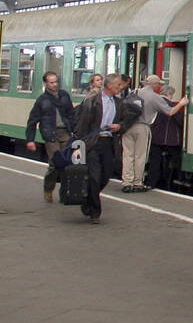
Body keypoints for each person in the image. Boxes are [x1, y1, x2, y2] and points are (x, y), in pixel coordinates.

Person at [72, 73, 137, 224]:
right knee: (94, 177)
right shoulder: (92, 101)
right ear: (109, 85)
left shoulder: (119, 103)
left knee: (105, 175)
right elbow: (82, 125)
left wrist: (119, 126)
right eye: (118, 85)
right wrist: (77, 146)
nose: (120, 88)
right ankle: (95, 212)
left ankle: (88, 199)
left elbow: (126, 120)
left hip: (109, 143)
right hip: (93, 143)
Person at [123, 74, 187, 192]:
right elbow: (170, 112)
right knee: (140, 156)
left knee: (128, 155)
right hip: (142, 127)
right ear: (153, 84)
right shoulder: (155, 97)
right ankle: (137, 183)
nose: (159, 86)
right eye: (158, 84)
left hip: (127, 126)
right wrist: (181, 104)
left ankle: (127, 182)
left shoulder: (134, 92)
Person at [24, 71, 77, 203]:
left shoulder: (64, 96)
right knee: (54, 164)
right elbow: (32, 121)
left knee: (67, 164)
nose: (54, 84)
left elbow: (71, 114)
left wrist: (75, 129)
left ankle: (64, 193)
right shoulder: (42, 100)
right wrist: (30, 140)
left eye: (55, 82)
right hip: (51, 134)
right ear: (46, 83)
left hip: (65, 133)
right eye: (51, 82)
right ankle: (48, 188)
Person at [146, 86, 184, 190]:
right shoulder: (170, 105)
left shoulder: (153, 103)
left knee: (154, 161)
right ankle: (172, 181)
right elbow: (179, 120)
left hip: (155, 137)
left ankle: (151, 182)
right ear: (170, 94)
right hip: (169, 140)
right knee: (176, 159)